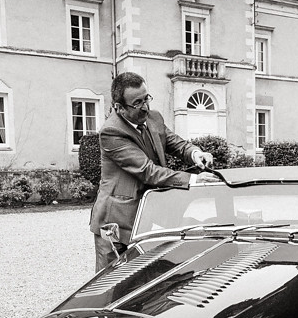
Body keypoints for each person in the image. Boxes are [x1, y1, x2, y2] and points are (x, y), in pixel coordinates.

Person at [89, 71, 216, 271]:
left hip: (146, 217)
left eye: (146, 98)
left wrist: (195, 154)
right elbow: (148, 171)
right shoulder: (111, 132)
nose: (146, 107)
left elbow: (177, 144)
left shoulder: (153, 118)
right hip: (116, 222)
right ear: (119, 108)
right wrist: (193, 180)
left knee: (145, 281)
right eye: (137, 103)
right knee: (112, 285)